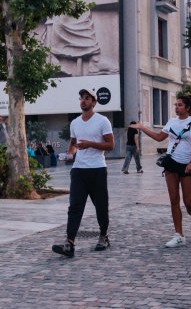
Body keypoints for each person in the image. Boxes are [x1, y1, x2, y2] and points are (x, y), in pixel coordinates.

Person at [134, 92, 191, 248]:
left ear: (187, 108)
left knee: (188, 202)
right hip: (171, 163)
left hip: (187, 164)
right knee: (174, 200)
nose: (176, 107)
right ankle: (179, 235)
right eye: (176, 104)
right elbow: (159, 137)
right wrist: (142, 127)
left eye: (180, 105)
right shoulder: (172, 122)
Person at [52, 89, 114, 258]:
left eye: (87, 98)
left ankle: (103, 236)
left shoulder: (102, 121)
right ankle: (69, 243)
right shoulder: (75, 123)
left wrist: (91, 144)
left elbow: (110, 145)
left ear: (94, 102)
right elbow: (73, 143)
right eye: (81, 98)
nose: (83, 101)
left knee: (101, 206)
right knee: (74, 207)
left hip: (97, 169)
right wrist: (70, 154)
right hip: (78, 170)